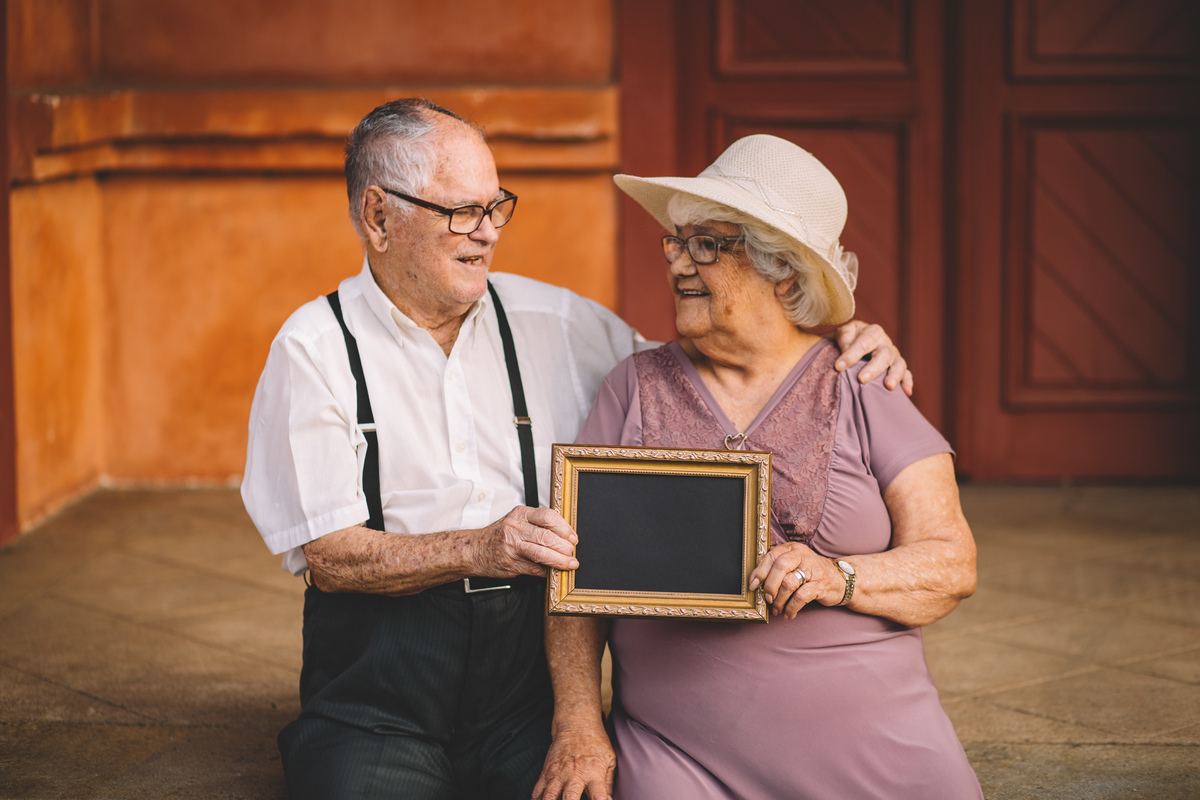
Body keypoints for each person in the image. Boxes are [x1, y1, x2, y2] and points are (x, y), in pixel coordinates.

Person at [241, 99, 912, 800]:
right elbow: (331, 557)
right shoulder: (314, 349)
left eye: (496, 207)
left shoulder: (556, 321)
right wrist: (478, 548)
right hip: (378, 701)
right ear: (379, 217)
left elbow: (711, 370)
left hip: (521, 694)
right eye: (461, 213)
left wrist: (828, 340)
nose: (487, 234)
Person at [535, 134, 982, 800]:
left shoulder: (860, 382)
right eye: (676, 242)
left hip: (876, 745)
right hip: (679, 755)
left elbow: (951, 563)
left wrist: (837, 574)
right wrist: (576, 724)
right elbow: (571, 577)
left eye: (707, 244)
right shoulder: (634, 387)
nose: (680, 263)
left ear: (786, 271)